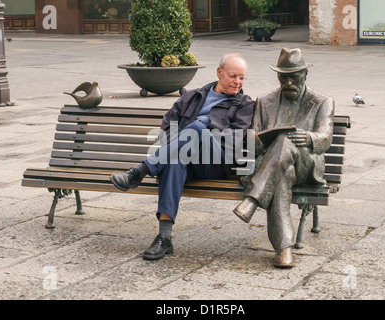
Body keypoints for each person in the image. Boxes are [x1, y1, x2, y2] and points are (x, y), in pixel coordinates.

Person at [110, 53, 255, 260]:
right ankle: (164, 237)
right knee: (174, 162)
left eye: (242, 77)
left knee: (196, 127)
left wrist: (205, 126)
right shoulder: (192, 96)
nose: (237, 82)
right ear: (219, 72)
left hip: (216, 160)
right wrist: (183, 142)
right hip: (186, 158)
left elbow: (236, 138)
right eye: (233, 76)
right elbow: (168, 126)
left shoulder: (244, 104)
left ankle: (141, 170)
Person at [233, 48, 335, 268]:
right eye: (283, 77)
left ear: (305, 75)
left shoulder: (322, 101)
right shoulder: (265, 101)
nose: (288, 82)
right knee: (281, 174)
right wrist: (258, 139)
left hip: (307, 165)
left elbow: (325, 137)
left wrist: (307, 137)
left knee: (286, 140)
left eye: (293, 77)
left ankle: (252, 200)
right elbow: (253, 139)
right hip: (277, 168)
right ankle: (283, 250)